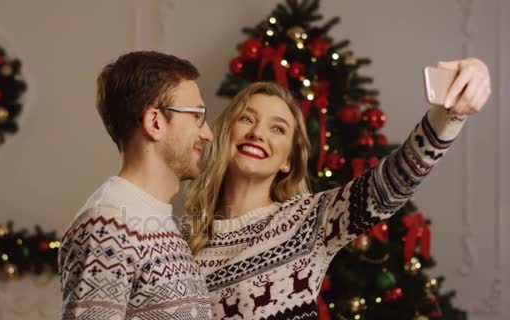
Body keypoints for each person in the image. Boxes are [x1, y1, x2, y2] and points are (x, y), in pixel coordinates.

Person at [186, 58, 491, 319]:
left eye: (277, 128)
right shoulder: (187, 243)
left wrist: (451, 113)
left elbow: (395, 181)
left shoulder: (308, 222)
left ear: (288, 162)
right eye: (246, 119)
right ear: (225, 136)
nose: (256, 133)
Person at [58, 51, 214, 320]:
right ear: (155, 122)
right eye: (196, 116)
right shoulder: (107, 225)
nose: (207, 133)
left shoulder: (156, 223)